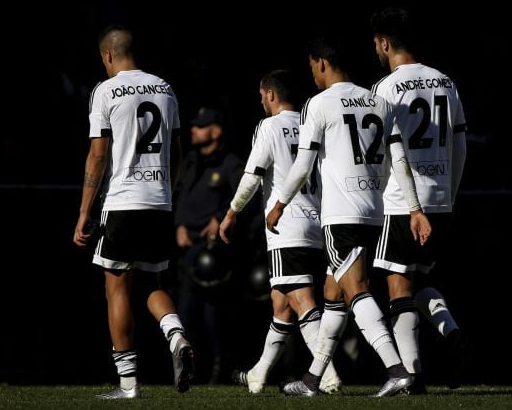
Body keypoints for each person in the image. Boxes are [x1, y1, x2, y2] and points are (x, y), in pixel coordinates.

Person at [266, 32, 432, 397]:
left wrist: (279, 203)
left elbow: (302, 165)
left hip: (340, 215)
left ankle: (395, 368)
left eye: (313, 68)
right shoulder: (378, 101)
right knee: (333, 293)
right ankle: (313, 379)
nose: (312, 75)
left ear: (322, 64)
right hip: (376, 212)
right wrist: (415, 209)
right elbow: (399, 160)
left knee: (356, 290)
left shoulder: (319, 104)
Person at [73, 25, 194, 399]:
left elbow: (98, 154)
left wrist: (83, 212)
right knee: (153, 284)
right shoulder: (165, 88)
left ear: (107, 55)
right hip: (158, 201)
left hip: (122, 201)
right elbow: (175, 153)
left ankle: (128, 384)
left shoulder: (106, 90)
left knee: (117, 289)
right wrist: (165, 193)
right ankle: (175, 333)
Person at [219, 69, 343, 394]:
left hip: (285, 224)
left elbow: (252, 175)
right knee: (281, 303)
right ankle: (258, 374)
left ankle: (326, 375)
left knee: (302, 300)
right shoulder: (312, 124)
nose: (261, 101)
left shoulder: (269, 126)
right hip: (317, 221)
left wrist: (232, 212)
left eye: (262, 95)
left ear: (271, 95)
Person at [369, 6, 468, 392]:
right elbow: (460, 146)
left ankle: (411, 373)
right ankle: (453, 332)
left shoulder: (386, 88)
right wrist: (450, 196)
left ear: (384, 42)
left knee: (398, 285)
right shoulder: (445, 82)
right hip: (442, 198)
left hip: (403, 202)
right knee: (420, 279)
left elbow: (385, 152)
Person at [173, 107, 245, 383]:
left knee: (214, 317)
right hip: (187, 250)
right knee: (186, 314)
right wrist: (179, 225)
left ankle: (218, 372)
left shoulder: (230, 163)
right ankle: (190, 373)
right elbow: (179, 197)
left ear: (215, 131)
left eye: (200, 126)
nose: (193, 130)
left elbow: (242, 197)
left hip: (214, 253)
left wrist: (219, 219)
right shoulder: (191, 162)